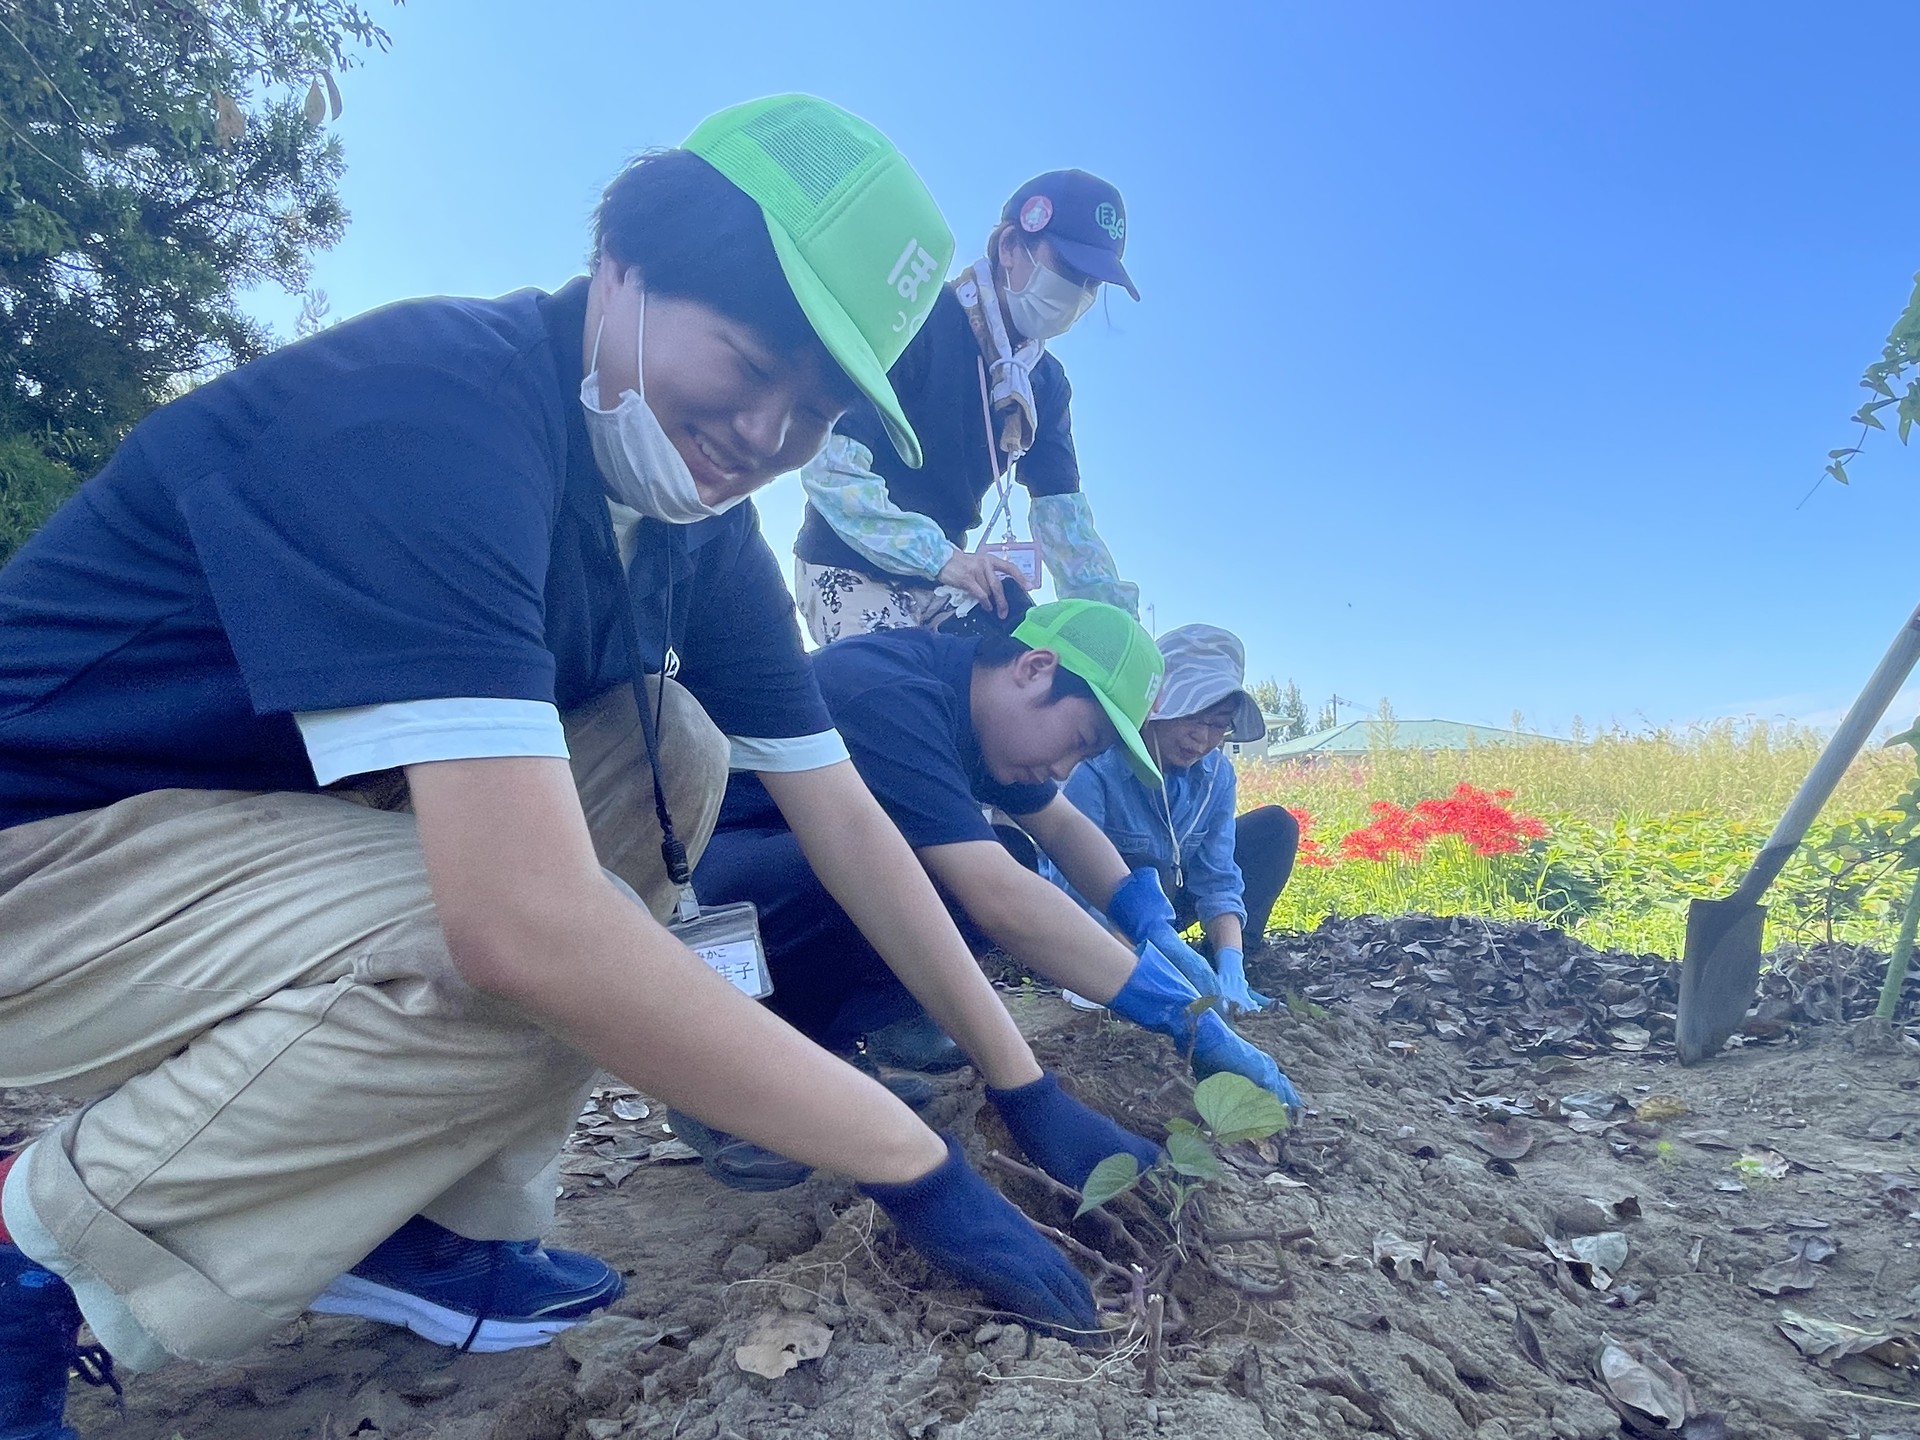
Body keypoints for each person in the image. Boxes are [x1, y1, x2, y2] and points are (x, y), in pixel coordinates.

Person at [0, 96, 1149, 1439]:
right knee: (521, 938)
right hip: (50, 851)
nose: (767, 435)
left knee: (664, 748)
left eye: (816, 405)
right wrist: (915, 1162)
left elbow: (847, 819)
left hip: (229, 841)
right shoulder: (439, 413)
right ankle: (37, 1250)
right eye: (748, 361)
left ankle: (412, 1221)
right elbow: (526, 927)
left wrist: (1022, 1084)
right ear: (621, 269)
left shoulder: (688, 528)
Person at [691, 600, 1304, 1190]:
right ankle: (726, 1084)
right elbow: (1000, 899)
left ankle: (820, 1057)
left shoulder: (977, 711)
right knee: (953, 879)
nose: (1066, 768)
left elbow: (1062, 827)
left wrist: (1150, 923)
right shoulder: (888, 689)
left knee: (997, 860)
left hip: (778, 882)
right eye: (1079, 739)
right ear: (1035, 668)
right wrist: (1177, 1016)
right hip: (712, 899)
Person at [793, 170, 1141, 644]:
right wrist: (941, 558)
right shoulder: (920, 315)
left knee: (1022, 682)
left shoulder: (1045, 382)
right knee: (900, 684)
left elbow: (1068, 527)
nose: (1077, 294)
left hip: (947, 581)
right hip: (847, 558)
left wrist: (1120, 637)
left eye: (1091, 283)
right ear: (1011, 247)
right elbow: (830, 470)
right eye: (1067, 267)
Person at [1048, 625, 1301, 1013]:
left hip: (1171, 901)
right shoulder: (1098, 766)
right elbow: (1074, 890)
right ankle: (1130, 963)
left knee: (1275, 827)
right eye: (1192, 718)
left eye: (1217, 724)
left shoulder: (1217, 775)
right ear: (1158, 708)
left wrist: (1231, 966)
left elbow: (1218, 877)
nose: (1202, 737)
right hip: (1102, 913)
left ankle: (1225, 968)